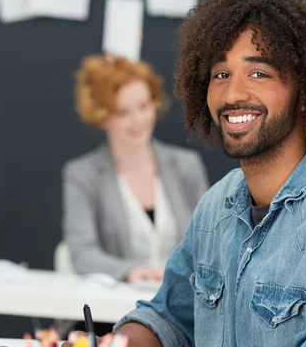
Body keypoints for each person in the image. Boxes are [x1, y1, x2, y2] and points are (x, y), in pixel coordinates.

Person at [64, 0, 306, 346]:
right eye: (220, 74)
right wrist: (116, 344)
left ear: (305, 95)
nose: (232, 94)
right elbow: (169, 318)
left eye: (258, 74)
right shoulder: (217, 205)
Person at [62, 55, 209, 282]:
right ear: (102, 116)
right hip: (115, 308)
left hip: (183, 303)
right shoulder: (82, 175)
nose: (137, 120)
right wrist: (130, 271)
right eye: (123, 112)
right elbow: (82, 253)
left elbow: (209, 242)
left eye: (143, 106)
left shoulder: (186, 165)